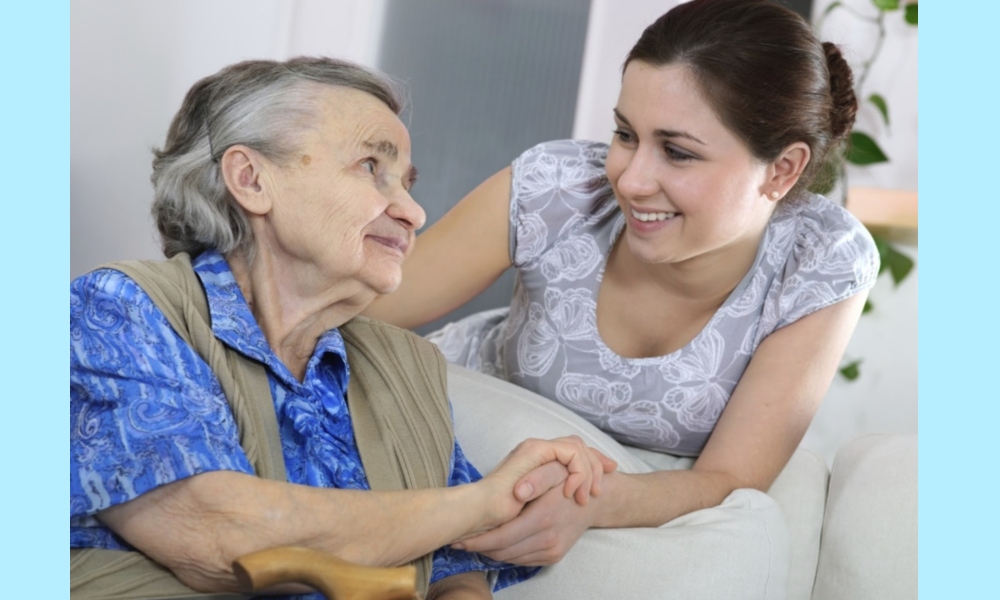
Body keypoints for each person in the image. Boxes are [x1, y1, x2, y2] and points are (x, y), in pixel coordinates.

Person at [364, 0, 880, 597]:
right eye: (625, 134)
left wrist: (589, 501)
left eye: (678, 151)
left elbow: (731, 476)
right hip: (455, 435)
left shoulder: (821, 260)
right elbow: (361, 308)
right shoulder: (557, 186)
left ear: (782, 170)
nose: (630, 179)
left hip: (608, 493)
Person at [69, 56, 615, 600]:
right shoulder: (122, 310)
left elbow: (453, 564)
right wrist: (481, 501)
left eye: (407, 181)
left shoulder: (406, 365)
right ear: (251, 179)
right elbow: (222, 536)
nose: (413, 212)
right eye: (371, 168)